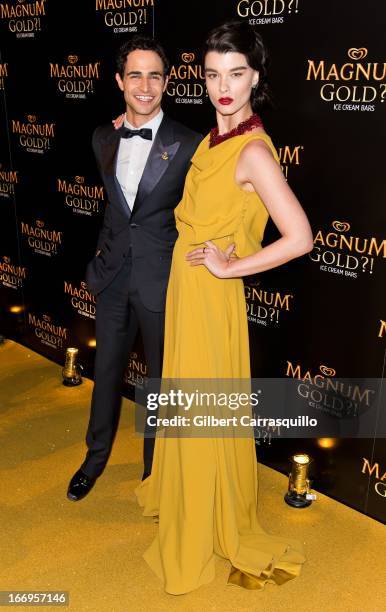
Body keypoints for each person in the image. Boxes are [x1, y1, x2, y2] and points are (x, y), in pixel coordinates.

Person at [134, 21, 313, 594]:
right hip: (186, 292)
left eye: (236, 74)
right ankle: (190, 501)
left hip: (210, 297)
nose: (223, 86)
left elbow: (300, 237)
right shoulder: (213, 140)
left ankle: (209, 522)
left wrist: (230, 266)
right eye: (213, 75)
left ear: (255, 78)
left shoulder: (254, 151)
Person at [67, 36, 202, 501]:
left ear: (167, 81)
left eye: (155, 75)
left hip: (163, 282)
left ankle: (154, 475)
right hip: (112, 277)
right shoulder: (103, 136)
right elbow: (115, 210)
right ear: (120, 81)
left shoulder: (189, 144)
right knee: (104, 372)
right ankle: (94, 458)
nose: (145, 86)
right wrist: (100, 261)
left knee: (159, 386)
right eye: (136, 75)